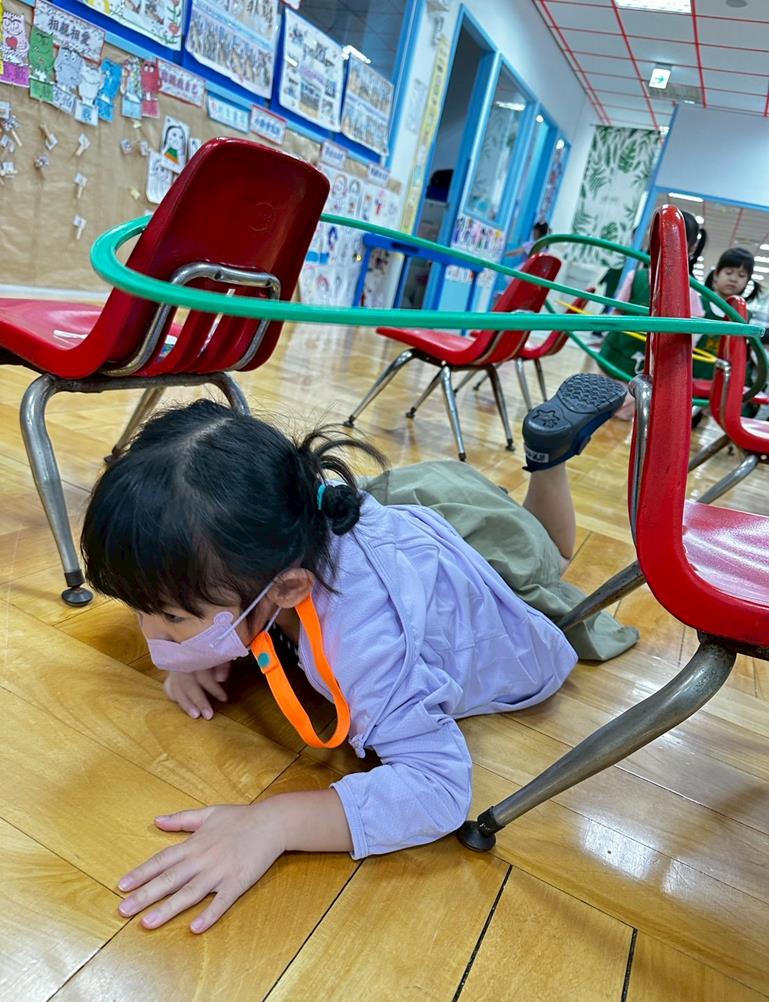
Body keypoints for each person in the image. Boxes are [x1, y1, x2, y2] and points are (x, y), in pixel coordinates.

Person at [80, 374, 635, 935]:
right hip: (422, 505)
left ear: (287, 589)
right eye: (141, 608)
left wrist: (271, 824)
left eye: (173, 618)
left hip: (492, 560)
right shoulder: (263, 528)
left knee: (550, 550)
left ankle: (548, 458)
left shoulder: (365, 644)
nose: (151, 633)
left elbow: (438, 789)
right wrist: (191, 649)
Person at [599, 210, 707, 381]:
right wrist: (607, 333)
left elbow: (694, 329)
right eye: (663, 240)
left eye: (677, 243)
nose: (668, 248)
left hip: (654, 369)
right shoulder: (636, 277)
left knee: (638, 397)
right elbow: (618, 311)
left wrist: (679, 359)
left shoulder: (689, 289)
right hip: (614, 357)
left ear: (691, 248)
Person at [694, 247, 762, 382]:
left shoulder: (745, 315)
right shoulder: (699, 304)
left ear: (747, 282)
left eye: (741, 276)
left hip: (723, 382)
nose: (734, 279)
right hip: (692, 375)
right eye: (729, 272)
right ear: (716, 275)